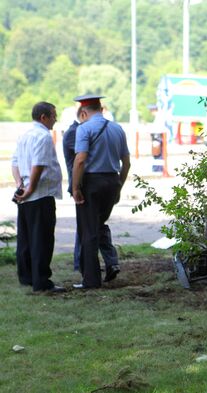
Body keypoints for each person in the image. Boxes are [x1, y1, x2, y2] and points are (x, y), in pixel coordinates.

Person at [72, 95, 130, 289]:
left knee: (88, 231)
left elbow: (80, 160)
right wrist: (119, 185)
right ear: (101, 108)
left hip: (92, 183)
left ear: (83, 112)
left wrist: (75, 187)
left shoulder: (84, 128)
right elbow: (127, 162)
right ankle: (110, 263)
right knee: (98, 225)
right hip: (112, 181)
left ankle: (91, 280)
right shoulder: (117, 129)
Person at [11, 101, 64, 292]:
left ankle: (26, 277)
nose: (55, 120)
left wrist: (20, 186)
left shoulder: (24, 134)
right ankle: (42, 281)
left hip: (24, 194)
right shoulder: (43, 136)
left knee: (25, 238)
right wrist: (31, 188)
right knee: (42, 239)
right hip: (40, 194)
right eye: (53, 116)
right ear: (44, 117)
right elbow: (39, 164)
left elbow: (15, 161)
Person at [62, 106, 118, 272]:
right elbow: (80, 160)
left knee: (90, 227)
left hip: (89, 185)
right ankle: (104, 263)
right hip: (85, 184)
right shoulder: (76, 132)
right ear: (84, 115)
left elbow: (82, 160)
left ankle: (88, 268)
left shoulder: (82, 130)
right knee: (93, 227)